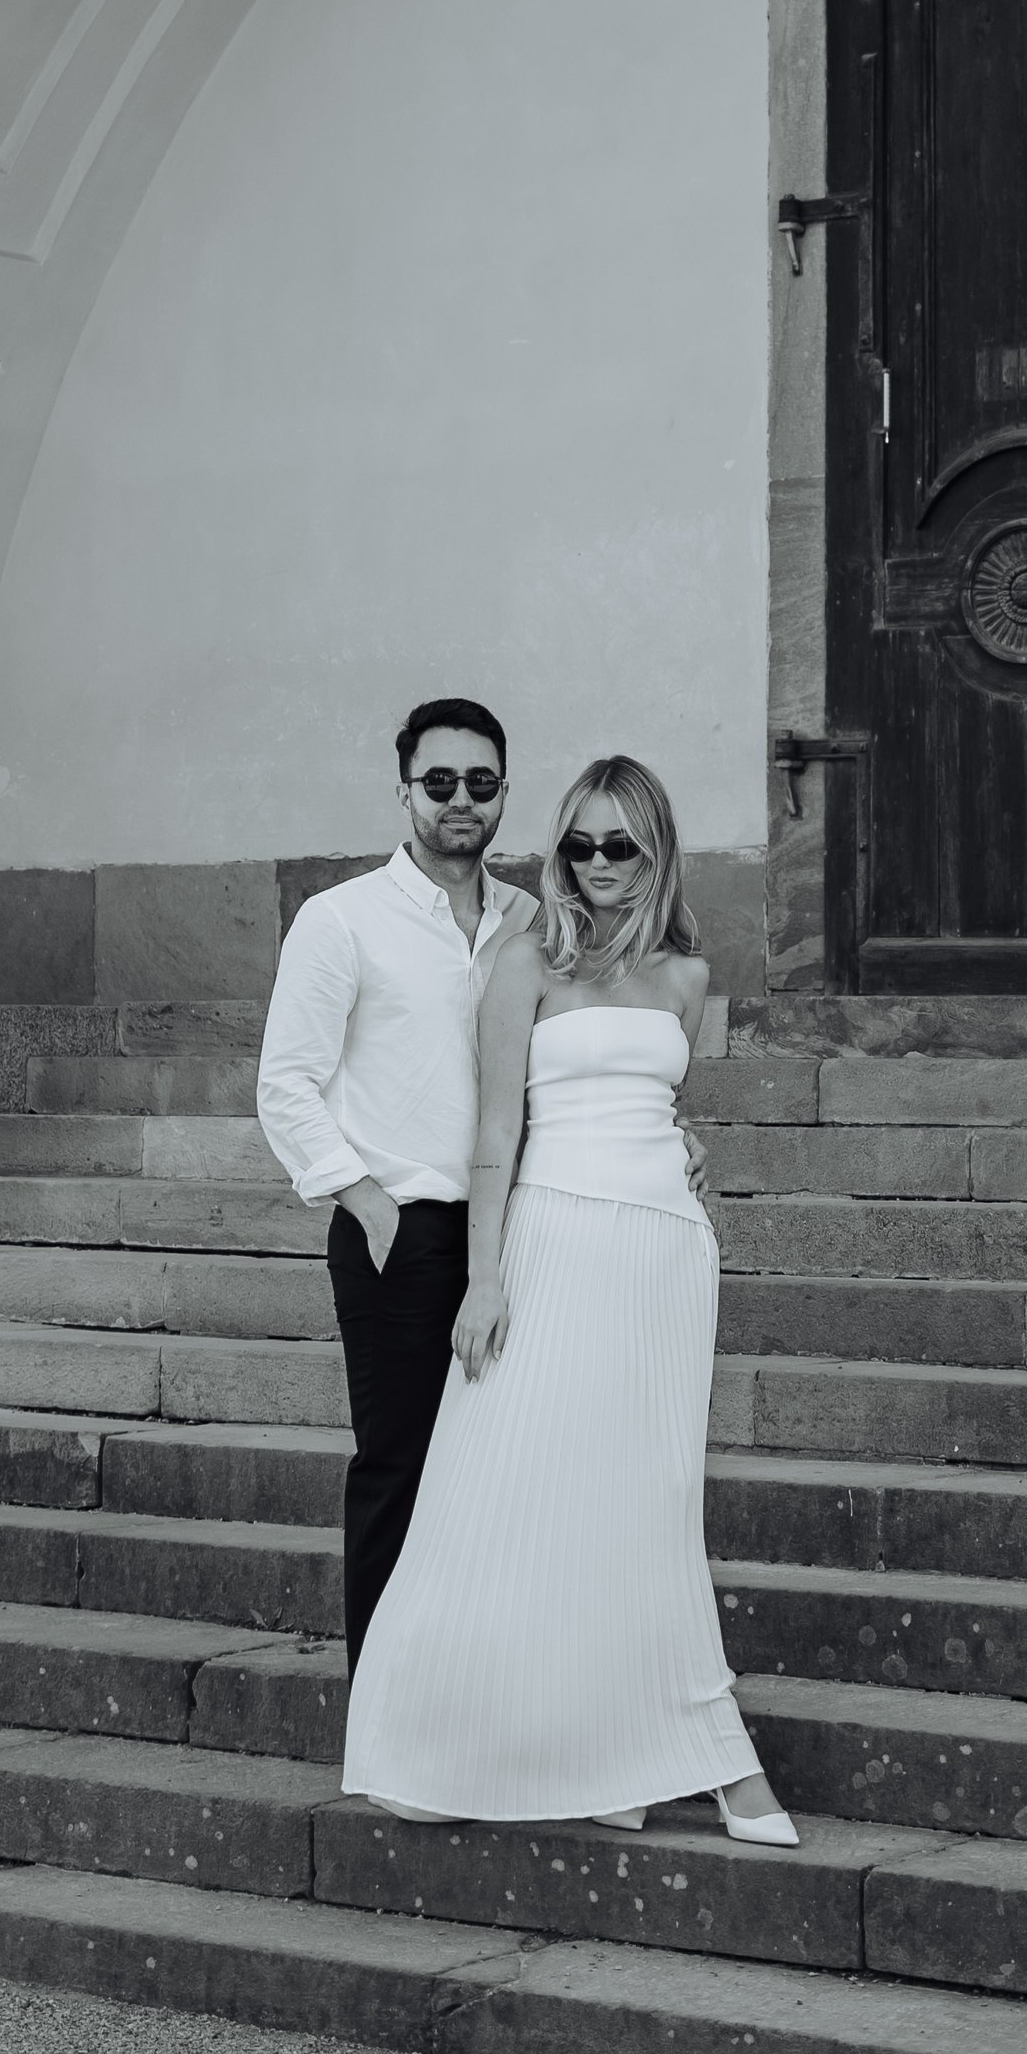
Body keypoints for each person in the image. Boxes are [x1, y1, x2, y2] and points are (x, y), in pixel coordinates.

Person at [339, 753, 797, 1845]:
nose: (595, 864)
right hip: (551, 1238)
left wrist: (691, 1145)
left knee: (647, 1500)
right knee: (498, 1485)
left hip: (664, 1252)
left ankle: (624, 1760)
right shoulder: (525, 961)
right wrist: (485, 1277)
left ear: (656, 850)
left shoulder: (688, 977)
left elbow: (656, 1103)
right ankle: (526, 1743)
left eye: (618, 845)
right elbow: (497, 1133)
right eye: (577, 845)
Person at [255, 699, 538, 1664]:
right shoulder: (342, 919)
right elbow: (285, 1084)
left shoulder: (530, 922)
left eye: (481, 782)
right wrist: (366, 1201)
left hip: (508, 1233)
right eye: (439, 781)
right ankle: (377, 1703)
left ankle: (463, 1690)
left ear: (503, 792)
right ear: (404, 791)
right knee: (398, 1471)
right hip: (399, 1233)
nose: (461, 800)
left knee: (496, 1477)